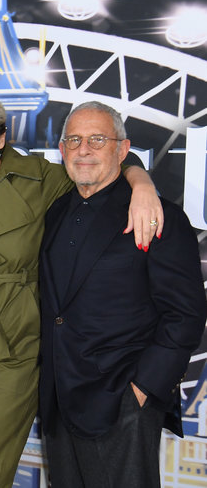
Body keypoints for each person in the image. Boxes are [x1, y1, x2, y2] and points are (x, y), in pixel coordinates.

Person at [0, 89, 163, 487]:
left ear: (2, 137)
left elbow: (100, 167)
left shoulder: (40, 177)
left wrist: (141, 182)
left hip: (13, 344)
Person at [38, 102, 207, 487]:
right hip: (59, 400)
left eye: (97, 140)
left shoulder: (157, 216)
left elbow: (185, 315)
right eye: (74, 140)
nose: (84, 149)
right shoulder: (56, 211)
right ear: (61, 150)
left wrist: (141, 390)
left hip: (121, 400)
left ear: (122, 149)